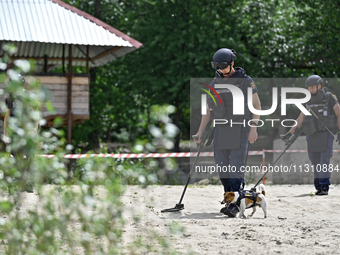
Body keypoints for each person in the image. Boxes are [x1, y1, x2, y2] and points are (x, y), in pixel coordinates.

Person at [194, 48, 261, 216]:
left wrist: (254, 128)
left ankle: (236, 204)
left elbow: (257, 106)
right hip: (221, 130)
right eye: (218, 67)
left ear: (232, 63)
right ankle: (229, 200)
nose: (221, 70)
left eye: (224, 66)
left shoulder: (246, 81)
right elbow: (208, 111)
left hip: (240, 129)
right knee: (223, 170)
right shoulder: (215, 82)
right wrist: (200, 132)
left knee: (236, 169)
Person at [281, 75, 340, 195]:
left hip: (326, 134)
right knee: (315, 160)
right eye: (309, 87)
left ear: (319, 85)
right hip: (312, 135)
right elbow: (300, 120)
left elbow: (339, 114)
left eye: (313, 87)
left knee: (324, 160)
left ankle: (324, 186)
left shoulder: (329, 97)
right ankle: (318, 186)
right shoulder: (307, 101)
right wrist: (289, 133)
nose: (311, 89)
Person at [4, 74, 38, 193]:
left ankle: (29, 183)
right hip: (14, 132)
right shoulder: (10, 98)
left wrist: (34, 130)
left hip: (26, 131)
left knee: (28, 157)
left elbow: (35, 115)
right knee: (15, 157)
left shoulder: (28, 97)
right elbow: (7, 117)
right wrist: (5, 133)